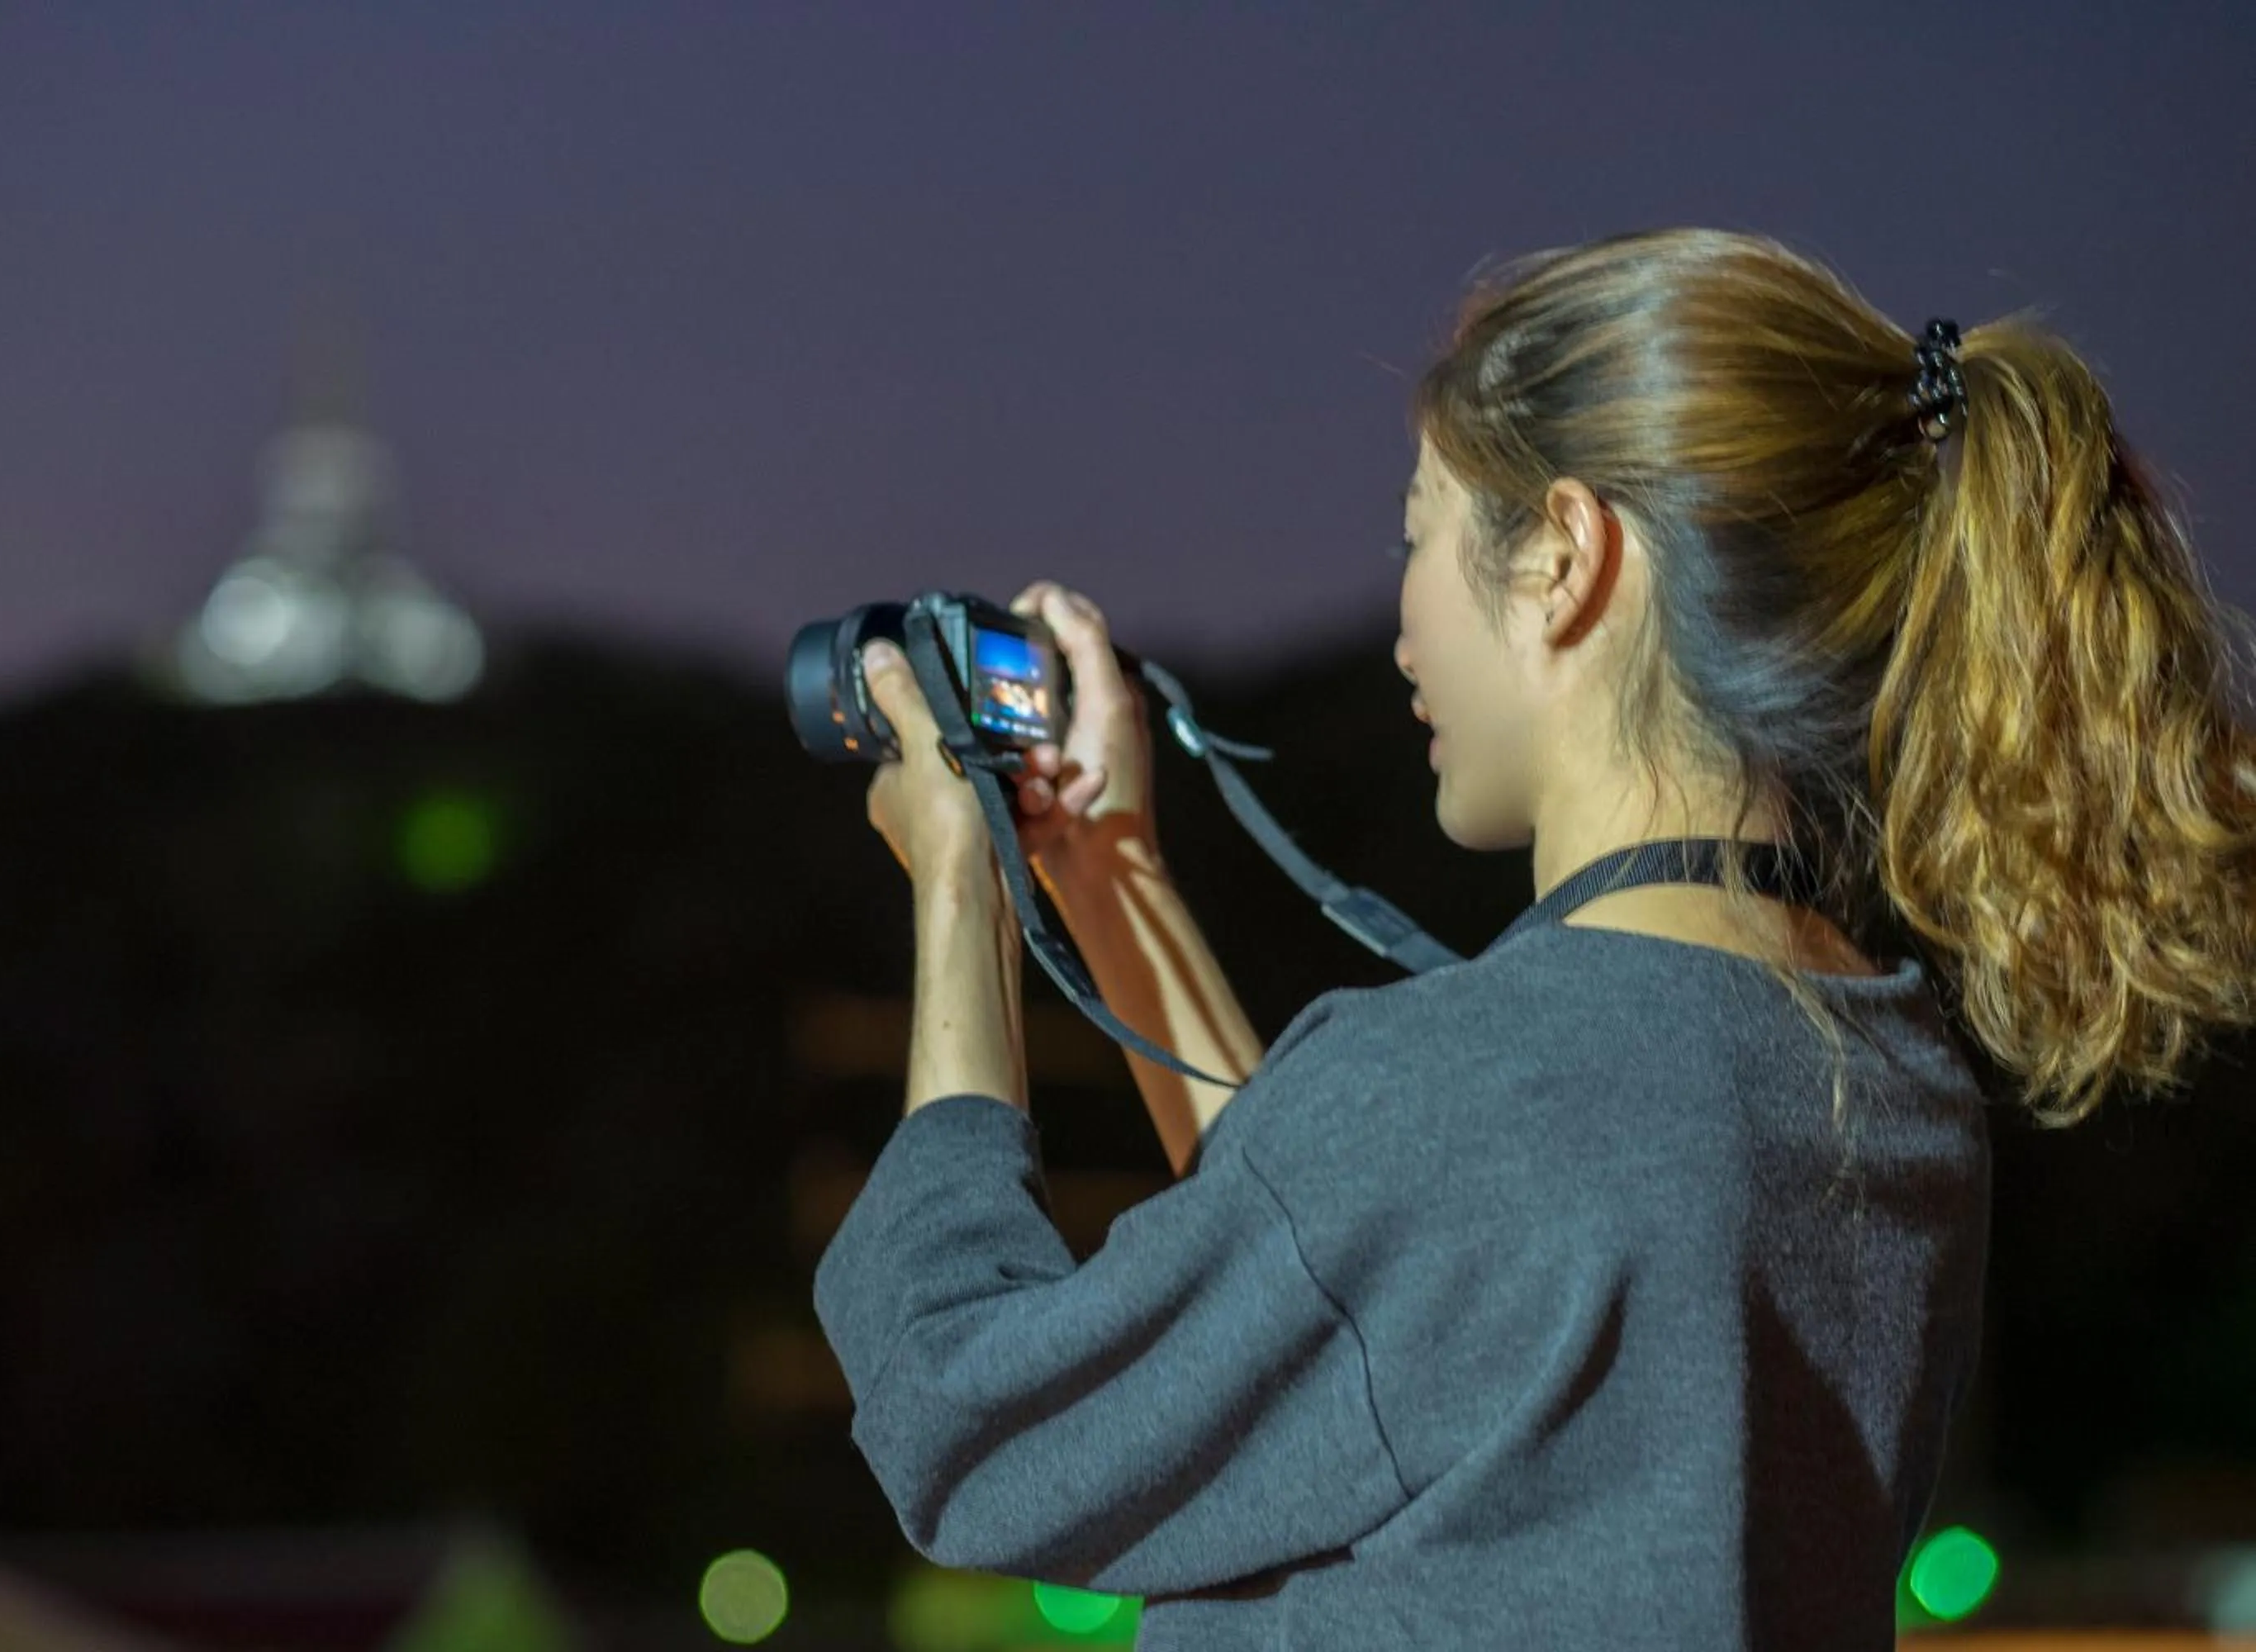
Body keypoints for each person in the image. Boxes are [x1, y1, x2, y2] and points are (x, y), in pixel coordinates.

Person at [811, 227, 2256, 1649]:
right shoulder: (1883, 1076)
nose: (1399, 633)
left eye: (1419, 531)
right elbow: (1379, 1318)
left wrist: (963, 878)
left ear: (1563, 555)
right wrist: (1110, 877)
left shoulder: (1485, 1104)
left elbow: (967, 1424)